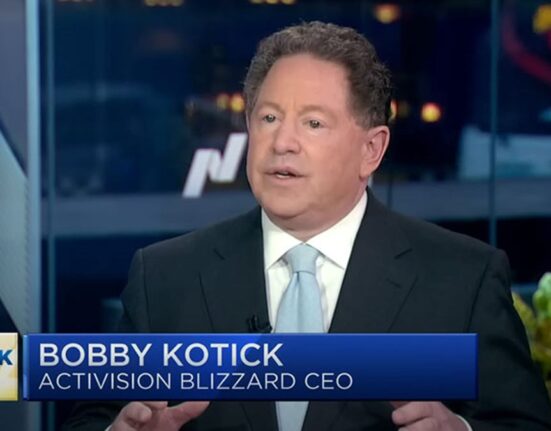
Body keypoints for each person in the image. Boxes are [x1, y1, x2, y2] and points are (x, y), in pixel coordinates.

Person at [64, 21, 551, 431]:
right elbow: (93, 418)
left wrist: (461, 429)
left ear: (372, 150)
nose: (283, 142)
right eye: (269, 118)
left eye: (313, 123)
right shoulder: (165, 277)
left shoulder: (461, 278)